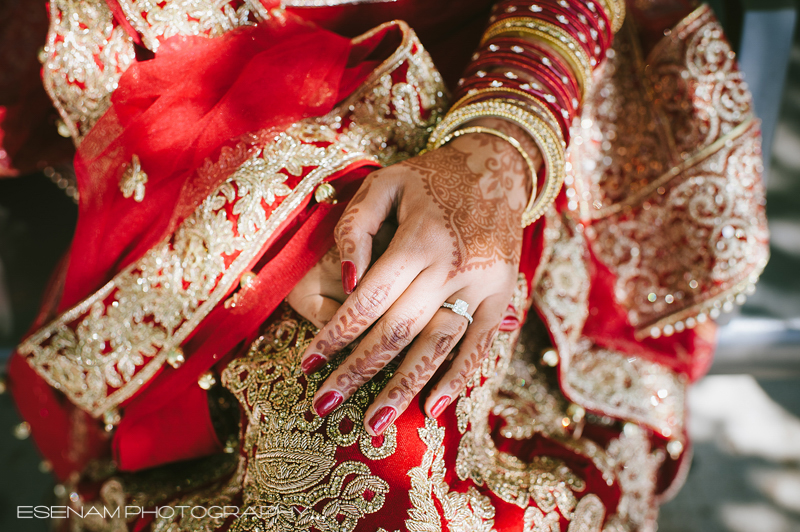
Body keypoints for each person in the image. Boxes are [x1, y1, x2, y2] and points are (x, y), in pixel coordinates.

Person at [0, 0, 768, 530]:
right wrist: (260, 221)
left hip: (495, 90)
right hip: (204, 116)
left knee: (411, 413)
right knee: (343, 413)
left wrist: (501, 152)